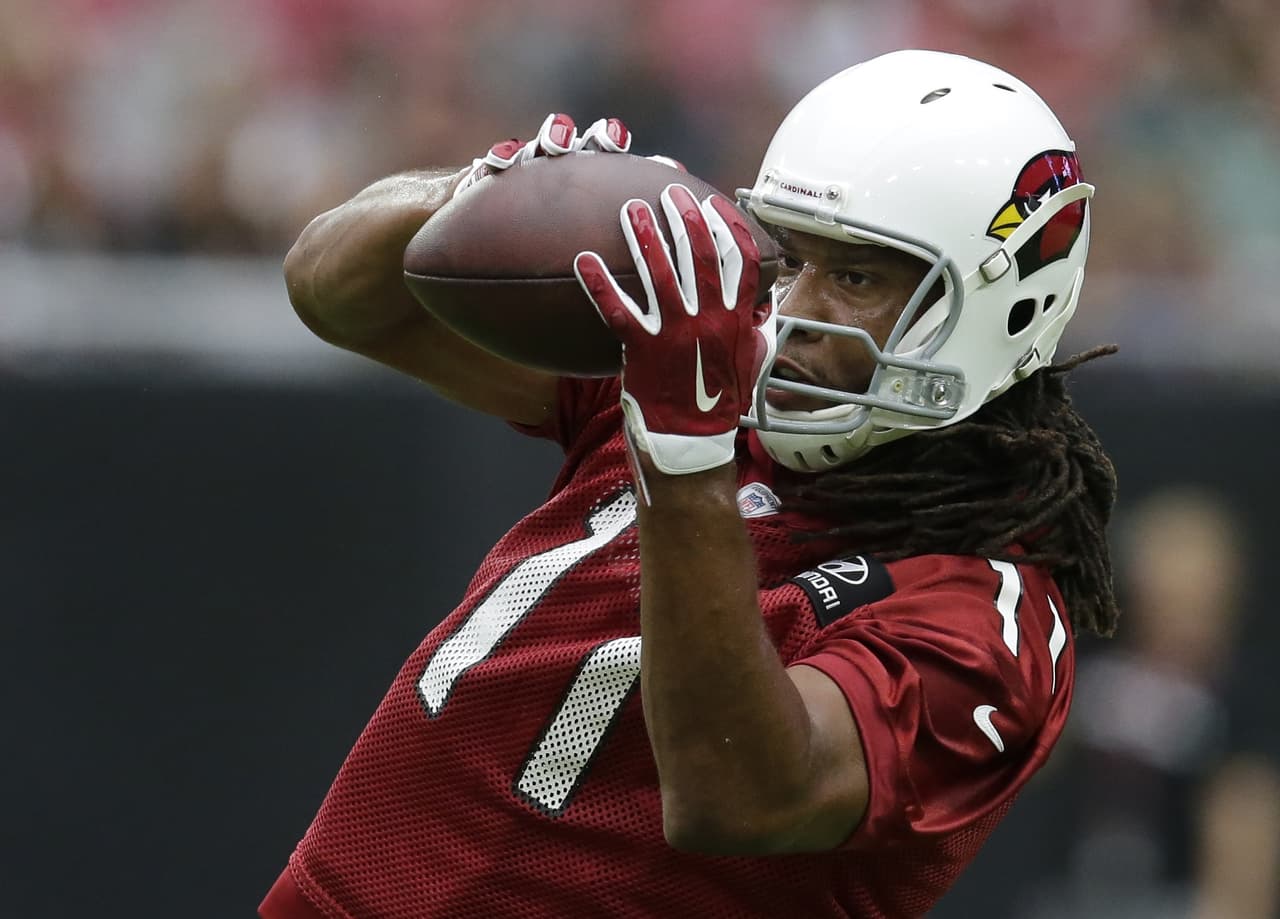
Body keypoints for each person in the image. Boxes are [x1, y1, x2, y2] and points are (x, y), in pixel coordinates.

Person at [260, 49, 1119, 919]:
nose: (795, 310)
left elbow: (741, 793)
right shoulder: (709, 369)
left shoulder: (988, 621)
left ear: (997, 306)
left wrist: (685, 458)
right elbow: (336, 292)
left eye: (854, 274)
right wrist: (490, 190)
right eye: (791, 258)